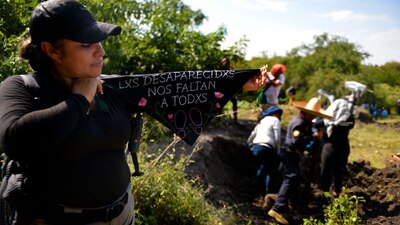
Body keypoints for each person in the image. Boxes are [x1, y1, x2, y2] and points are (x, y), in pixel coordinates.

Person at [0, 1, 133, 224]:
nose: (101, 51)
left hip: (122, 214)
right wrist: (79, 99)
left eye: (99, 41)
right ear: (51, 50)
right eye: (86, 44)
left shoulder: (108, 87)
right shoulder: (21, 88)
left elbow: (167, 90)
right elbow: (15, 141)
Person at [267, 97, 332, 225]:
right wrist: (312, 138)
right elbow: (296, 142)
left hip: (293, 155)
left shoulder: (305, 123)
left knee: (294, 179)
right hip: (289, 154)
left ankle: (285, 207)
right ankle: (277, 208)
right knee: (291, 177)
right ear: (307, 113)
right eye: (312, 115)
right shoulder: (299, 124)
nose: (313, 118)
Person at [320, 95, 356, 197]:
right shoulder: (350, 118)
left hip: (329, 147)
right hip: (343, 147)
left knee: (325, 171)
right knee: (338, 171)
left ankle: (324, 193)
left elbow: (318, 124)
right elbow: (351, 124)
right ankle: (337, 192)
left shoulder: (328, 119)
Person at [247, 106, 283, 195]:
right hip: (267, 147)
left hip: (256, 147)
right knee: (271, 170)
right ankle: (268, 193)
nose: (279, 116)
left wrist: (248, 144)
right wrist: (277, 150)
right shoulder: (275, 120)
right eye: (278, 114)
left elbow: (253, 134)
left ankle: (254, 189)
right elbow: (277, 138)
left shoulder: (263, 120)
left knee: (261, 167)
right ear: (275, 114)